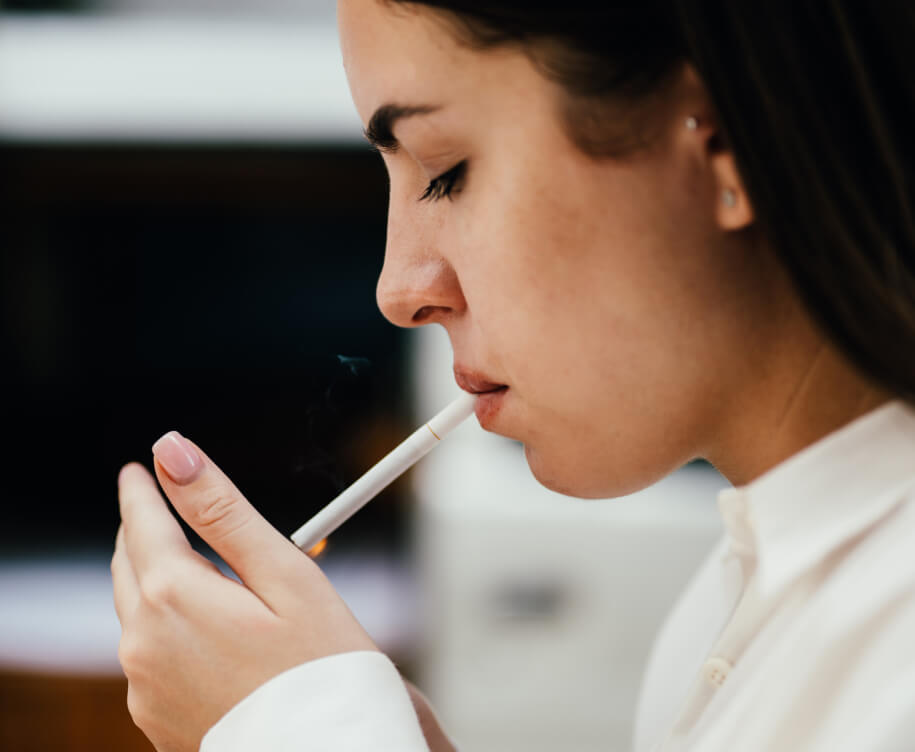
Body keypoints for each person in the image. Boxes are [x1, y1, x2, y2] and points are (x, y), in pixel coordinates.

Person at [111, 1, 915, 750]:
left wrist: (299, 727)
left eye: (444, 170)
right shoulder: (736, 593)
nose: (399, 290)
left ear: (726, 141)